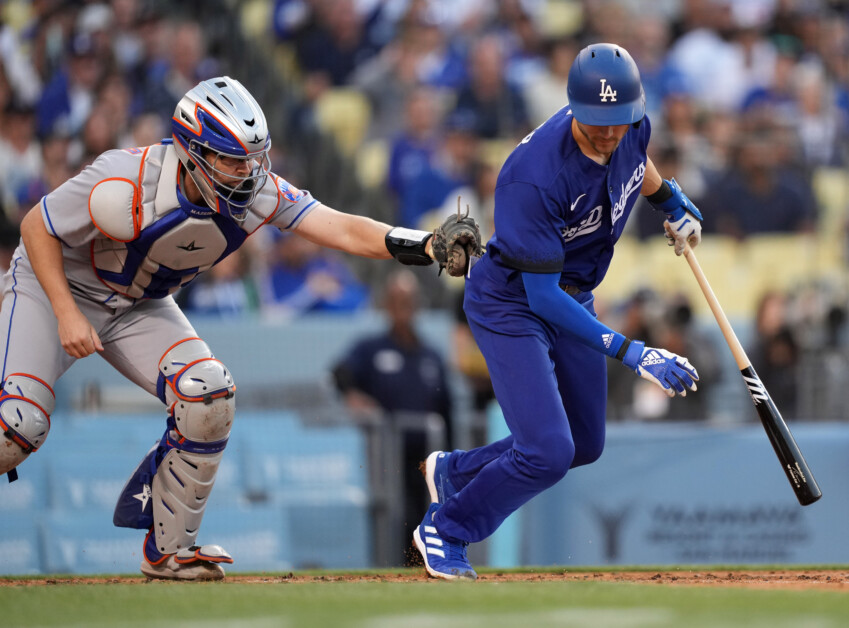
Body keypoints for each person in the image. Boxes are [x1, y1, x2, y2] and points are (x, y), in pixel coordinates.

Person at [0, 76, 476, 581]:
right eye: (231, 159)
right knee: (18, 427)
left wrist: (423, 244)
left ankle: (170, 550)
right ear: (192, 152)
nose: (246, 171)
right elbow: (36, 227)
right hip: (53, 290)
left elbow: (338, 226)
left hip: (138, 304)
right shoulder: (125, 179)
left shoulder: (257, 192)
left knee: (209, 393)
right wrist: (66, 312)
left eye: (253, 157)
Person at [412, 43, 703, 580]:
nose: (611, 134)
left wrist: (670, 201)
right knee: (548, 451)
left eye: (621, 122)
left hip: (573, 291)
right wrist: (632, 351)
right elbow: (543, 298)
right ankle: (447, 528)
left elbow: (640, 164)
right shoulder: (534, 176)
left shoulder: (630, 126)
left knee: (583, 443)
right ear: (573, 109)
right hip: (513, 302)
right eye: (598, 125)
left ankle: (456, 471)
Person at [331, 269, 452, 564]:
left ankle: (429, 568)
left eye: (409, 300)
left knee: (429, 519)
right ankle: (389, 569)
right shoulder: (371, 349)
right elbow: (340, 373)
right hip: (386, 458)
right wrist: (355, 398)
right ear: (386, 304)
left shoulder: (431, 356)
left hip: (426, 459)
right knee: (394, 517)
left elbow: (446, 408)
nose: (403, 306)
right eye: (397, 300)